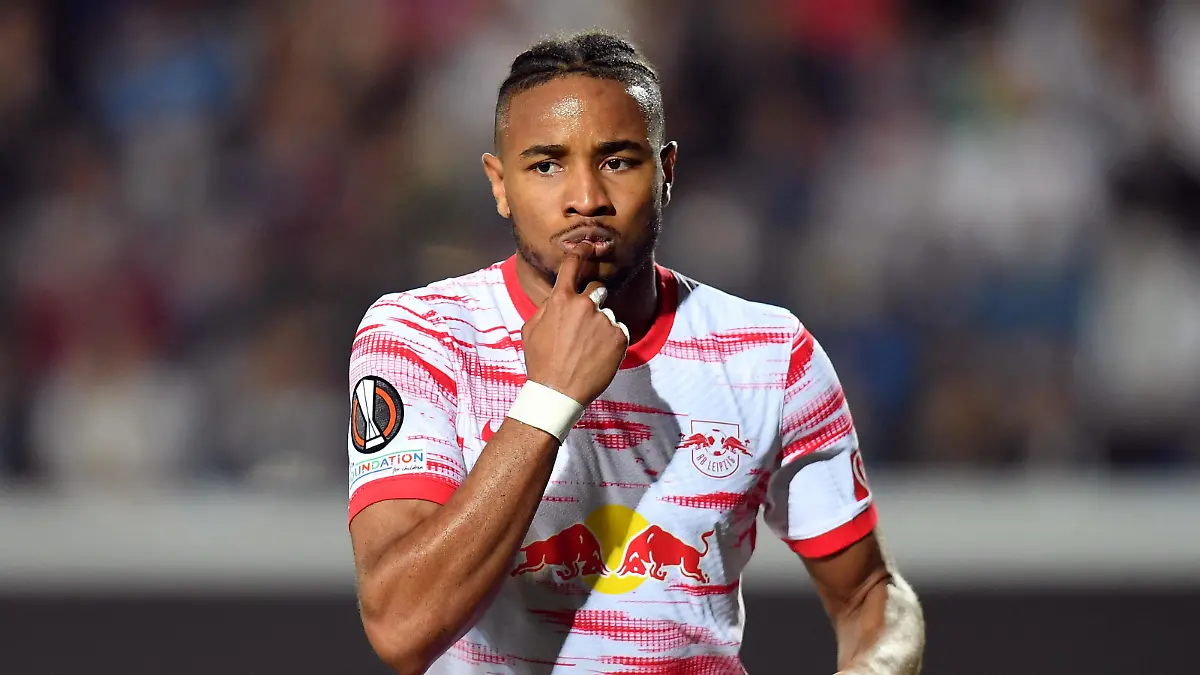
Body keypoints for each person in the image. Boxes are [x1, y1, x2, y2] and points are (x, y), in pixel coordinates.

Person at [346, 31, 924, 675]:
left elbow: (870, 596)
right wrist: (549, 400)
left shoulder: (768, 354)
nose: (586, 197)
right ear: (499, 183)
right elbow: (401, 626)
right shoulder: (421, 336)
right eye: (546, 165)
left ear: (667, 171)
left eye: (617, 161)